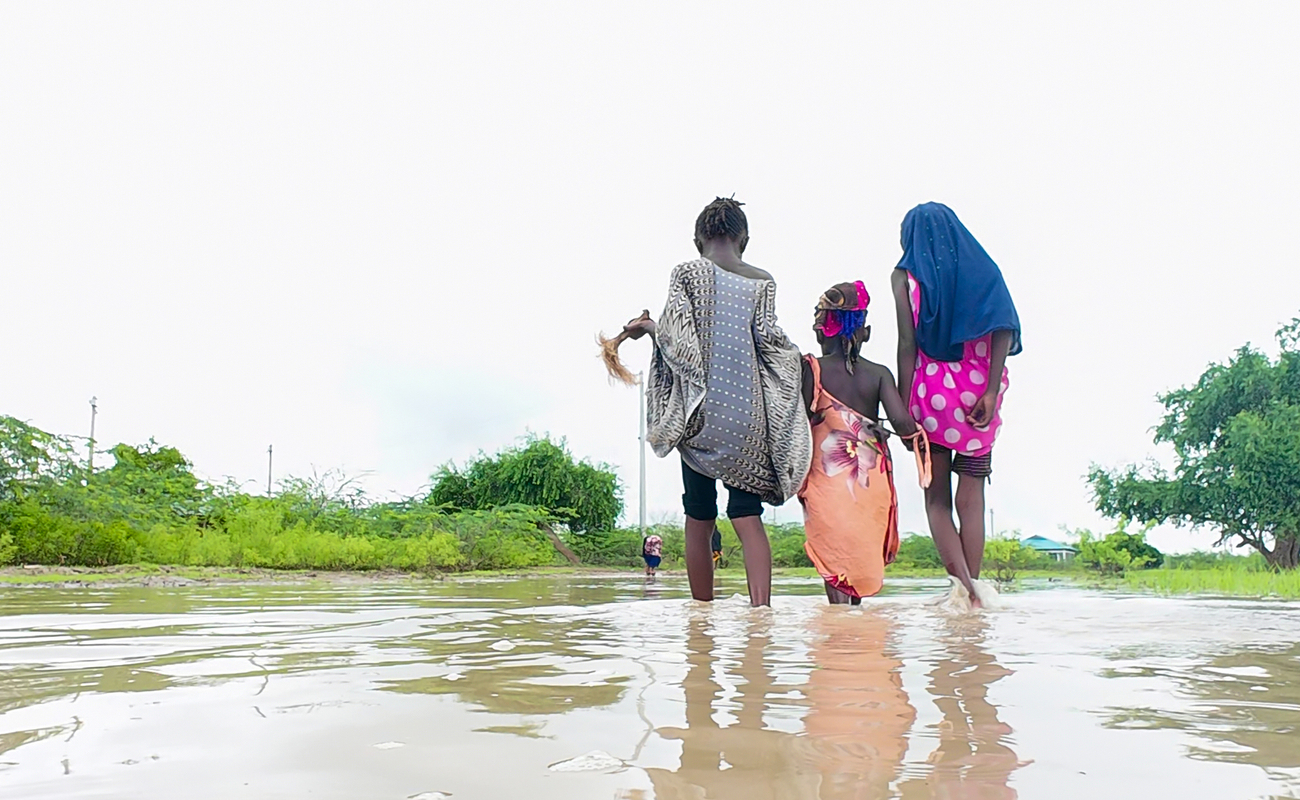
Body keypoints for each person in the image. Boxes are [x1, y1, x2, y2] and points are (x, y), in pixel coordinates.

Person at [621, 197, 811, 607]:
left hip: (699, 414)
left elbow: (679, 345)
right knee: (746, 514)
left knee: (700, 514)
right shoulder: (762, 281)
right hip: (749, 417)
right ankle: (762, 611)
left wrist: (650, 327)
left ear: (696, 240)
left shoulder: (687, 272)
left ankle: (701, 614)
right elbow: (773, 345)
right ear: (745, 240)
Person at [892, 202, 1021, 609]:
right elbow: (1004, 326)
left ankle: (961, 587)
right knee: (973, 497)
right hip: (977, 396)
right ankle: (974, 590)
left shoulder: (904, 278)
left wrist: (902, 405)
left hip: (931, 396)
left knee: (936, 500)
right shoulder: (984, 270)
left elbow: (907, 345)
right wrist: (988, 390)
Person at [799, 281, 923, 605]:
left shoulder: (810, 369)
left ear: (822, 329)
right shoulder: (879, 374)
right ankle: (856, 639)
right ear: (864, 332)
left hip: (826, 482)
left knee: (835, 562)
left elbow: (797, 424)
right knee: (856, 558)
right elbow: (904, 426)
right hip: (869, 483)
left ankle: (840, 638)